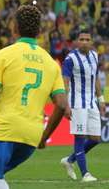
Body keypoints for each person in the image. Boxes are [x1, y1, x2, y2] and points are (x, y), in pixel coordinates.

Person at [0, 4, 70, 189]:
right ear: (39, 31)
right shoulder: (52, 63)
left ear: (14, 27)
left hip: (6, 128)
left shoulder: (3, 55)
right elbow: (62, 105)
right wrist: (44, 137)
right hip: (32, 134)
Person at [60, 29, 105, 182]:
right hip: (77, 103)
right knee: (80, 137)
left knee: (95, 138)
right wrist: (65, 104)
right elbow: (65, 81)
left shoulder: (94, 55)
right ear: (77, 42)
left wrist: (101, 99)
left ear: (91, 42)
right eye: (82, 39)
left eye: (87, 39)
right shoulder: (70, 59)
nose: (84, 42)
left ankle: (69, 160)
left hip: (92, 102)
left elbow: (96, 77)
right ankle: (85, 174)